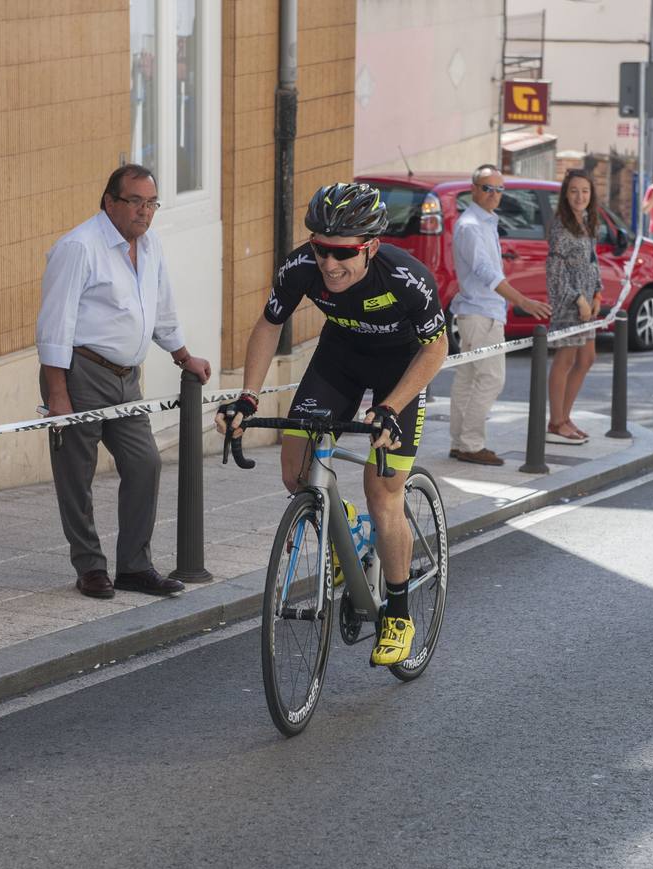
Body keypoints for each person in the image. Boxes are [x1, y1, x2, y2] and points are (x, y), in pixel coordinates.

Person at [215, 182, 448, 666]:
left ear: (371, 247)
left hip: (400, 371)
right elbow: (269, 324)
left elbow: (436, 348)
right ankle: (350, 535)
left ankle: (399, 613)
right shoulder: (301, 267)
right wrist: (247, 396)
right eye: (321, 249)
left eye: (342, 252)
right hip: (339, 359)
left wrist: (391, 405)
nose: (329, 263)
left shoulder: (408, 278)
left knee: (382, 489)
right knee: (295, 473)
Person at [36, 164, 211, 600]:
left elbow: (162, 310)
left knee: (144, 463)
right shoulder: (78, 247)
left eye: (151, 202)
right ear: (110, 202)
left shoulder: (149, 246)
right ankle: (90, 567)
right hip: (80, 372)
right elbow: (54, 325)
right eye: (135, 201)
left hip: (126, 377)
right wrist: (58, 395)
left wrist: (184, 356)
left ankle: (134, 566)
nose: (145, 211)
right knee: (77, 474)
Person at [447, 165, 551, 466]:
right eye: (487, 188)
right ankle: (470, 444)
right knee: (491, 379)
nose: (494, 194)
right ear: (474, 190)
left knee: (469, 379)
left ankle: (460, 442)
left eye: (499, 189)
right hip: (480, 315)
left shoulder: (484, 222)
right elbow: (485, 272)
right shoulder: (470, 226)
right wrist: (522, 301)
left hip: (477, 313)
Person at [546, 169, 604, 446]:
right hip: (569, 304)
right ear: (565, 194)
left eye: (585, 191)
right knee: (565, 360)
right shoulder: (561, 225)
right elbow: (555, 271)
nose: (580, 196)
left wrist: (597, 293)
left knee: (587, 358)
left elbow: (593, 262)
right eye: (574, 191)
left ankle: (565, 417)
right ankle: (556, 422)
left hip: (587, 304)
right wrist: (578, 299)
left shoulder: (588, 222)